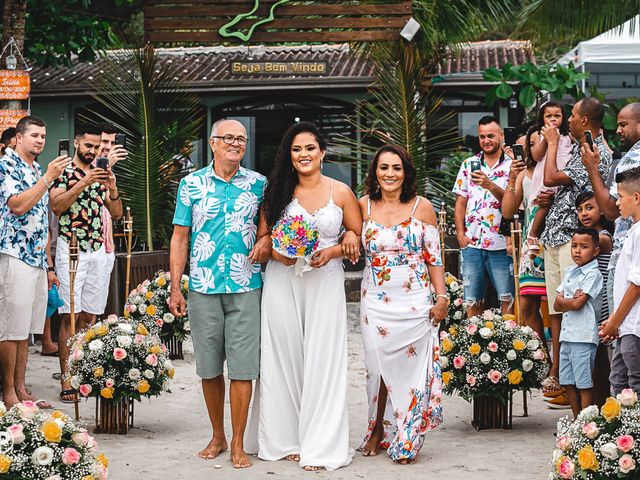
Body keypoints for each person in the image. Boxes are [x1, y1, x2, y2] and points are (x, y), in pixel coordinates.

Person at [257, 121, 361, 471]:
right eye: (296, 149)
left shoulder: (341, 192)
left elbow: (355, 237)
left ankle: (321, 443)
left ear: (322, 152)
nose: (303, 155)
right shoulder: (276, 192)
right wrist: (277, 252)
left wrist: (334, 251)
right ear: (289, 155)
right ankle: (285, 439)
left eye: (310, 148)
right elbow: (264, 240)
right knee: (284, 357)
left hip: (324, 281)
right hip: (283, 280)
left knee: (323, 358)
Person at [169, 119, 271, 468]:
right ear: (212, 143)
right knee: (209, 367)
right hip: (203, 286)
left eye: (241, 139)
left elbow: (268, 230)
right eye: (228, 138)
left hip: (246, 286)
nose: (235, 144)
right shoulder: (190, 184)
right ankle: (218, 435)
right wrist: (175, 286)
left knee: (243, 368)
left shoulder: (259, 185)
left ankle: (240, 441)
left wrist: (265, 240)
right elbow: (180, 237)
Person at [357, 144, 446, 464]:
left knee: (411, 370)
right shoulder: (362, 206)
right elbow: (347, 240)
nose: (390, 174)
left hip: (414, 301)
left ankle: (408, 435)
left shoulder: (423, 208)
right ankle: (377, 428)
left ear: (406, 172)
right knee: (376, 369)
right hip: (375, 302)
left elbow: (435, 258)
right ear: (375, 172)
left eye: (396, 168)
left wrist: (442, 297)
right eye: (384, 168)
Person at [539, 97, 612, 403]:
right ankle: (561, 374)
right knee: (556, 309)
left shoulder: (598, 153)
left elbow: (551, 178)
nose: (566, 121)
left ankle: (577, 385)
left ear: (584, 121)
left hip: (576, 238)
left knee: (574, 306)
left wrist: (552, 143)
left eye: (571, 116)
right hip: (556, 236)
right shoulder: (582, 150)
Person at [49, 124, 123, 403]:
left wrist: (112, 188)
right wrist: (85, 181)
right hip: (72, 250)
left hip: (98, 252)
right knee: (70, 314)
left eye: (97, 145)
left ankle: (84, 372)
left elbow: (115, 214)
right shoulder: (64, 171)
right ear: (77, 143)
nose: (93, 150)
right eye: (88, 145)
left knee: (90, 315)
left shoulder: (103, 173)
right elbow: (57, 206)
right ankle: (67, 379)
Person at [0, 115, 70, 407]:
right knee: (9, 326)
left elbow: (43, 222)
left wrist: (49, 265)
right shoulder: (6, 166)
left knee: (26, 328)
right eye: (34, 136)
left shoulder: (37, 168)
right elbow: (17, 205)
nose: (40, 140)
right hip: (13, 254)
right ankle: (8, 393)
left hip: (37, 258)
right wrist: (47, 179)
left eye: (43, 135)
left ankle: (21, 387)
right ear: (18, 137)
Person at [582, 103, 640, 319]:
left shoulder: (633, 158)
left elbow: (610, 210)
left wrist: (591, 168)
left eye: (624, 124)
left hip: (628, 253)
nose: (618, 130)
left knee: (623, 332)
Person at [453, 115, 513, 317]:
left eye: (490, 136)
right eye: (482, 137)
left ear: (501, 136)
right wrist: (461, 235)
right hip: (472, 244)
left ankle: (511, 344)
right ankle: (473, 345)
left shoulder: (512, 165)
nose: (486, 141)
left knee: (507, 298)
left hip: (502, 244)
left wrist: (490, 184)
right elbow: (460, 203)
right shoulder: (469, 164)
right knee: (472, 299)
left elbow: (513, 204)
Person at [502, 132, 550, 349]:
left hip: (553, 239)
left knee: (556, 307)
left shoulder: (553, 170)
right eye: (527, 145)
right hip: (531, 245)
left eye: (533, 144)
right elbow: (507, 211)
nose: (530, 149)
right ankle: (542, 358)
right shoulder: (524, 174)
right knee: (527, 304)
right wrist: (512, 179)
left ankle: (557, 366)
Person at [554, 227, 603, 417]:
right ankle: (576, 420)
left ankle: (586, 424)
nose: (577, 250)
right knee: (567, 381)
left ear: (595, 251)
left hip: (583, 337)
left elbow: (577, 304)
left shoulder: (593, 274)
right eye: (574, 246)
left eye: (584, 246)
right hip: (567, 335)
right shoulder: (570, 272)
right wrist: (569, 300)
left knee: (584, 384)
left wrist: (567, 301)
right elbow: (557, 305)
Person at [600, 166, 640, 394]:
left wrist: (616, 322)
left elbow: (636, 286)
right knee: (618, 383)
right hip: (625, 324)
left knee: (633, 386)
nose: (616, 203)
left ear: (636, 198)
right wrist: (614, 320)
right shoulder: (634, 230)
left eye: (620, 197)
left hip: (634, 325)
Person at [575, 190, 613, 406]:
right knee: (595, 365)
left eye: (589, 207)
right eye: (579, 210)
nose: (584, 213)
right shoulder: (585, 238)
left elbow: (595, 245)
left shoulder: (604, 238)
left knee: (602, 366)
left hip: (602, 309)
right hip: (589, 310)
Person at [96, 121, 128, 291]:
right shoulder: (83, 168)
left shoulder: (110, 172)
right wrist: (107, 164)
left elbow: (116, 214)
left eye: (112, 143)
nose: (108, 147)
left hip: (105, 247)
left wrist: (114, 189)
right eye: (104, 142)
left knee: (94, 309)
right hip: (82, 247)